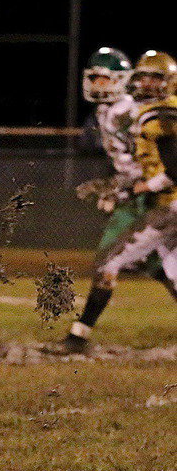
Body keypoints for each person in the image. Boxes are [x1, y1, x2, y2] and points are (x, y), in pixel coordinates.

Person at [63, 50, 177, 351]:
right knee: (162, 265)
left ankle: (78, 336)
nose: (98, 85)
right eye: (95, 78)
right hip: (146, 191)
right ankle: (78, 334)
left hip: (154, 194)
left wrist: (128, 188)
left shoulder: (134, 111)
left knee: (110, 258)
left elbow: (153, 158)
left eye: (105, 79)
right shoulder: (110, 111)